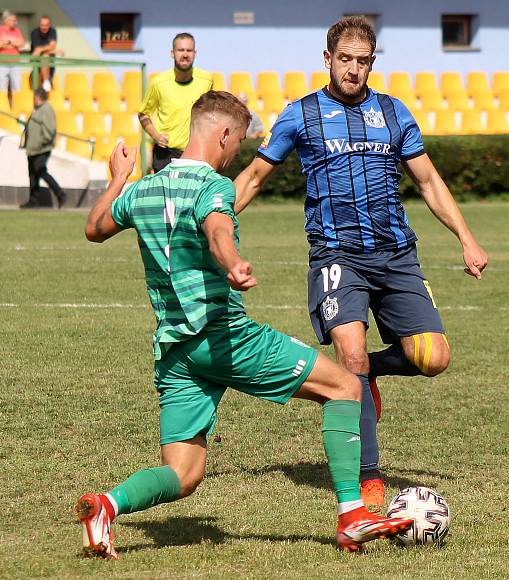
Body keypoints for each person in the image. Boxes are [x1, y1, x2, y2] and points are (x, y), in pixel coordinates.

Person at [76, 91, 412, 559]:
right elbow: (216, 227)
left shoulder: (143, 189)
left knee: (184, 473)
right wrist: (232, 262)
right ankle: (353, 514)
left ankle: (106, 506)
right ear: (224, 134)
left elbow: (94, 228)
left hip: (176, 351)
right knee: (345, 387)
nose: (237, 155)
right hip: (223, 337)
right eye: (238, 144)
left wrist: (117, 180)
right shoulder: (212, 185)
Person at [233, 17, 488, 512]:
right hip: (336, 254)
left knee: (432, 358)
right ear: (327, 59)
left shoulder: (393, 112)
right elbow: (254, 177)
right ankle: (368, 478)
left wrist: (466, 238)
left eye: (363, 60)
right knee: (350, 357)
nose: (353, 69)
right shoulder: (300, 114)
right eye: (344, 59)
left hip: (395, 254)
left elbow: (429, 182)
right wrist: (214, 223)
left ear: (373, 62)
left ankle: (365, 373)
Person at [139, 32, 213, 173]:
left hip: (196, 152)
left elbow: (211, 112)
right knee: (165, 195)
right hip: (165, 153)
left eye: (189, 50)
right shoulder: (159, 83)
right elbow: (143, 114)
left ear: (195, 53)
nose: (185, 54)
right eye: (180, 50)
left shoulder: (207, 80)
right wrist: (156, 136)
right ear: (172, 53)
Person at [19, 88, 66, 209]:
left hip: (41, 148)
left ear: (38, 97)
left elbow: (50, 130)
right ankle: (33, 200)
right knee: (33, 174)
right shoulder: (39, 110)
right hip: (33, 149)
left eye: (34, 97)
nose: (33, 100)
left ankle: (60, 194)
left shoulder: (46, 109)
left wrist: (42, 143)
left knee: (41, 171)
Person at [0, 10, 25, 104]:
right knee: (1, 91)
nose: (15, 22)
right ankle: (2, 112)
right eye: (13, 20)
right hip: (1, 64)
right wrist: (14, 43)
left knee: (17, 90)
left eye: (16, 20)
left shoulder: (17, 30)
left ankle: (17, 112)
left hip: (15, 64)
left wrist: (8, 42)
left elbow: (22, 43)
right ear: (6, 20)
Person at [30, 15, 64, 92]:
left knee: (47, 89)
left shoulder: (52, 31)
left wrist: (43, 49)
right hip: (37, 62)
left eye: (46, 25)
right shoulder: (35, 33)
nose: (44, 27)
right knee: (45, 56)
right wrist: (55, 51)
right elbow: (37, 51)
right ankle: (45, 81)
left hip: (50, 63)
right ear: (39, 25)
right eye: (42, 25)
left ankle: (46, 82)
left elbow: (52, 46)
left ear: (49, 25)